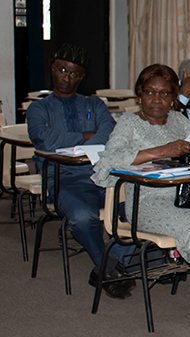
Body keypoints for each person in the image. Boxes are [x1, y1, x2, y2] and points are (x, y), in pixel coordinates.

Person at [91, 64, 190, 314]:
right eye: (150, 92)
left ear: (173, 97)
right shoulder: (130, 122)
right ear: (140, 95)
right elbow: (109, 160)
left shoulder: (178, 120)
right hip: (146, 203)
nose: (157, 98)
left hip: (184, 198)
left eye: (164, 93)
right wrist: (162, 151)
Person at [27, 42, 134, 299]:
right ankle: (109, 267)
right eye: (62, 70)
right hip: (63, 178)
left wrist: (69, 139)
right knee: (83, 216)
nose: (67, 77)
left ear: (82, 76)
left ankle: (106, 266)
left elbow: (109, 134)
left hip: (103, 175)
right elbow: (44, 139)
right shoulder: (38, 108)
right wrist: (86, 135)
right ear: (53, 69)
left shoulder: (95, 104)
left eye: (74, 73)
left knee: (140, 208)